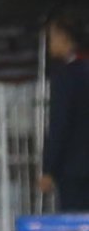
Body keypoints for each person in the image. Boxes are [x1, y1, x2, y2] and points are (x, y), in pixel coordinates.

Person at [39, 13, 89, 212]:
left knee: (75, 225)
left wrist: (48, 168)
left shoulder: (65, 77)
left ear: (63, 37)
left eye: (51, 38)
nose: (50, 44)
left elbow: (60, 124)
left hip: (73, 169)